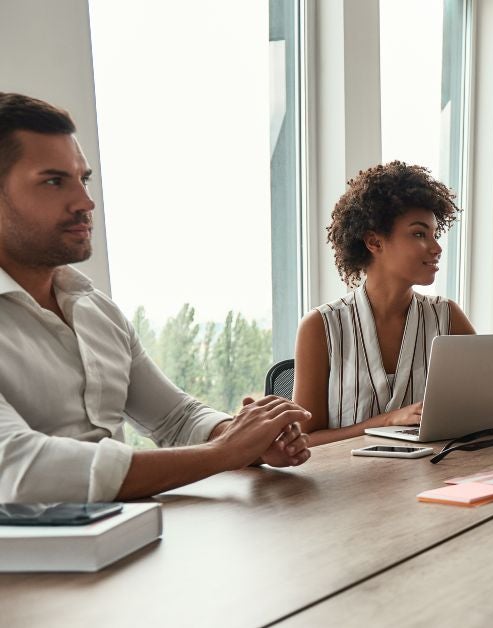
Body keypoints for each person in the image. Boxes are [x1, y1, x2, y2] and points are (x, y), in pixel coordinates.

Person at [0, 93, 311, 503]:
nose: (86, 202)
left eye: (84, 179)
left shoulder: (96, 309)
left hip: (127, 540)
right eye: (54, 181)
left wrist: (243, 436)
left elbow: (176, 417)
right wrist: (224, 451)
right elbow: (21, 471)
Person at [292, 162, 475, 445]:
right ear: (374, 242)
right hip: (349, 485)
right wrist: (386, 422)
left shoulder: (448, 317)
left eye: (435, 235)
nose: (436, 248)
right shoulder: (321, 326)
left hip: (428, 479)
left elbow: (485, 410)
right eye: (419, 234)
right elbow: (306, 440)